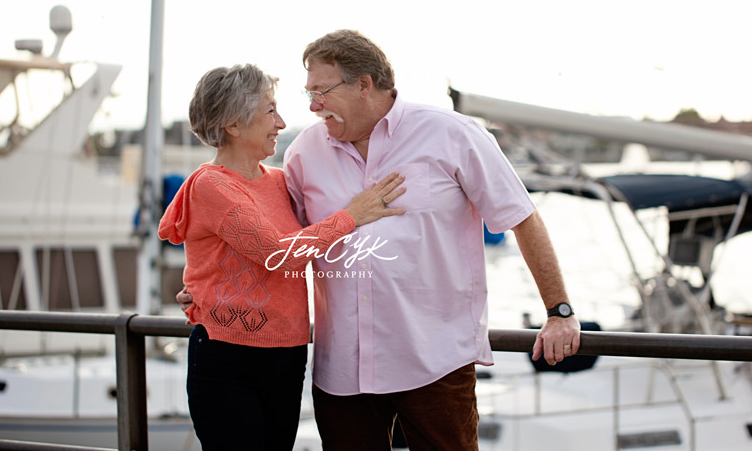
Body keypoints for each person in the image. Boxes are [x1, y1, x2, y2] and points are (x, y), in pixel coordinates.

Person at [178, 34, 581, 450]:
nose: (312, 105)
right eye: (308, 93)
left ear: (363, 85)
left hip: (434, 363)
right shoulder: (302, 154)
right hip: (342, 373)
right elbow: (283, 245)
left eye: (321, 91)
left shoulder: (453, 134)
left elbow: (522, 218)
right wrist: (210, 287)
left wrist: (558, 311)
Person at [159, 64, 406, 451]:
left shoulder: (279, 181)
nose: (281, 122)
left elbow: (306, 239)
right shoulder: (211, 185)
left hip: (288, 355)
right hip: (228, 358)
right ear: (233, 124)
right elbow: (279, 254)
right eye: (270, 110)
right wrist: (353, 215)